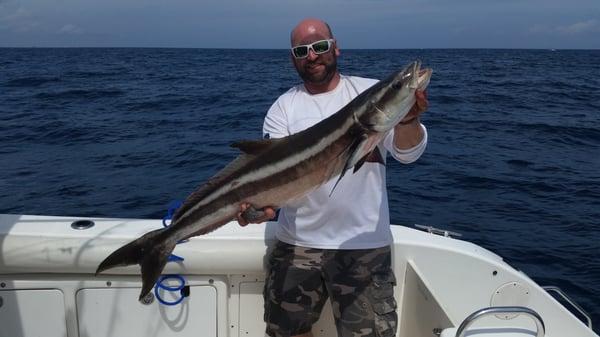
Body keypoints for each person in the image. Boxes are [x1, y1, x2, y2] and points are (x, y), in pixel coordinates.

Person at [236, 18, 429, 337]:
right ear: (293, 58)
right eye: (302, 50)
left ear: (335, 47)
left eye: (320, 46)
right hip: (297, 246)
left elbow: (408, 154)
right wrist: (260, 208)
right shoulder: (284, 108)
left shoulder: (370, 92)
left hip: (364, 247)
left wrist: (408, 119)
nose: (312, 55)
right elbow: (275, 180)